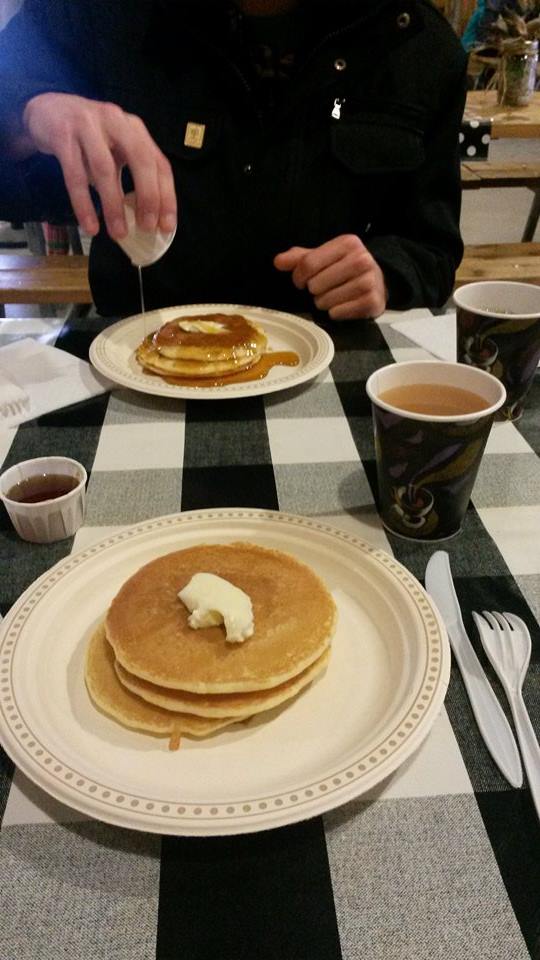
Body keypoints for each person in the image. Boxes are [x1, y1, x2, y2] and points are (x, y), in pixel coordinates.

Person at [0, 0, 467, 321]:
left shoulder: (415, 42)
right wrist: (28, 110)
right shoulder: (99, 13)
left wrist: (384, 272)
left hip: (326, 360)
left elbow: (432, 248)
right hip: (135, 357)